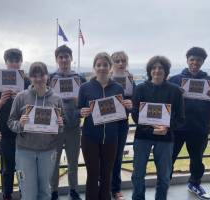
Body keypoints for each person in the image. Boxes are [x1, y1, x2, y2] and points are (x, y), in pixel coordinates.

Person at [78, 52, 132, 200]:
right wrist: (81, 111)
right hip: (90, 138)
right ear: (94, 67)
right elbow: (78, 110)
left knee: (107, 175)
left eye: (105, 65)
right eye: (99, 65)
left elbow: (123, 117)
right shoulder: (85, 87)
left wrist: (128, 108)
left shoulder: (118, 88)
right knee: (93, 174)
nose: (102, 68)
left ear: (110, 67)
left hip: (111, 138)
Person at [7, 62, 64, 200]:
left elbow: (60, 128)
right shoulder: (21, 97)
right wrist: (20, 124)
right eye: (34, 76)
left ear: (47, 76)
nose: (38, 79)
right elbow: (10, 122)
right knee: (28, 192)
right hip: (25, 151)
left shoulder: (56, 99)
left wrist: (60, 124)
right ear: (30, 77)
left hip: (48, 151)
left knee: (45, 190)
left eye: (42, 75)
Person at [131, 56, 184, 200]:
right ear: (149, 71)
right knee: (138, 174)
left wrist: (167, 128)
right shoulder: (140, 88)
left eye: (161, 68)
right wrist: (151, 130)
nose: (157, 70)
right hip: (143, 136)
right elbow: (135, 115)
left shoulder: (175, 91)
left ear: (166, 71)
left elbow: (180, 118)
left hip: (166, 137)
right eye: (154, 67)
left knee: (164, 176)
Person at [169, 47, 210, 200]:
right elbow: (164, 100)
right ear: (187, 60)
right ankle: (163, 183)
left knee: (197, 161)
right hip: (176, 127)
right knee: (169, 158)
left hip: (199, 128)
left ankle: (194, 184)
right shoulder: (175, 79)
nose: (195, 63)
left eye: (198, 60)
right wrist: (174, 92)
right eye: (192, 60)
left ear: (203, 62)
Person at [0, 48, 30, 200]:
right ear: (6, 63)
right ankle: (7, 195)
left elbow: (33, 105)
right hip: (5, 131)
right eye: (11, 61)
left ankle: (25, 194)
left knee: (24, 166)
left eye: (17, 61)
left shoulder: (27, 82)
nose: (14, 64)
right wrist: (2, 100)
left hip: (24, 131)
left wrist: (21, 97)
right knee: (7, 168)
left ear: (21, 62)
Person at [50, 45, 86, 200]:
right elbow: (45, 101)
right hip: (55, 128)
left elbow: (85, 105)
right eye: (60, 57)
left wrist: (79, 104)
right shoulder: (51, 79)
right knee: (54, 163)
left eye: (66, 56)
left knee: (73, 162)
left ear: (71, 58)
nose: (64, 59)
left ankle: (73, 190)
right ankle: (54, 191)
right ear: (57, 60)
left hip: (73, 127)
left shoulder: (80, 79)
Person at [110, 51, 136, 200]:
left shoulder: (130, 81)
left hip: (122, 123)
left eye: (123, 60)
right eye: (117, 61)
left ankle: (116, 188)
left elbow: (136, 102)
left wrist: (131, 104)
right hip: (105, 123)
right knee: (104, 156)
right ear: (112, 63)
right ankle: (104, 186)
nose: (120, 63)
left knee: (118, 157)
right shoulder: (105, 79)